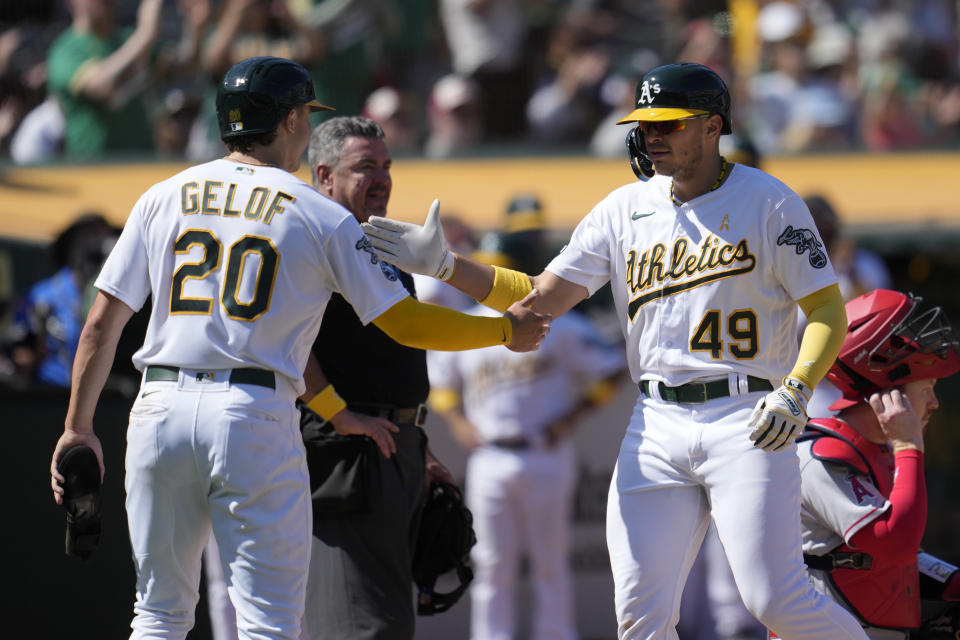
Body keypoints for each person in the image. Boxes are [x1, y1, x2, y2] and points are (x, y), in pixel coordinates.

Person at [362, 62, 871, 639]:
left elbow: (828, 311)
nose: (653, 135)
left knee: (774, 600)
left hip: (748, 414)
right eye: (646, 124)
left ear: (712, 125)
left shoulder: (770, 201)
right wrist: (449, 267)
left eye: (670, 124)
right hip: (655, 419)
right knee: (640, 618)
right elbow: (541, 298)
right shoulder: (623, 207)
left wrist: (796, 390)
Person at [48, 56, 549, 640]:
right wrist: (502, 332)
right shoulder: (314, 211)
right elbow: (407, 325)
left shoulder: (163, 195)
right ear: (288, 121)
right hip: (252, 411)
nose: (307, 126)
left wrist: (77, 428)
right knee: (270, 624)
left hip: (159, 405)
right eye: (305, 115)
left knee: (157, 616)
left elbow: (99, 324)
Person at [429, 231, 626, 640]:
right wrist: (458, 424)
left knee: (550, 562)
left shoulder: (555, 323)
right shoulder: (469, 325)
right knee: (491, 563)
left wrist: (573, 417)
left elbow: (612, 367)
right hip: (490, 455)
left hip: (544, 451)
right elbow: (440, 384)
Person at [795, 289, 960, 639]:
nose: (934, 404)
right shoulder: (820, 456)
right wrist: (909, 444)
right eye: (926, 387)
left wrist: (953, 582)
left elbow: (899, 560)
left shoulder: (874, 449)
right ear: (889, 393)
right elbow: (894, 541)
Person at [7, 213, 116, 387]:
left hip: (102, 398)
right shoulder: (41, 295)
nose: (96, 246)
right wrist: (33, 354)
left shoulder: (117, 298)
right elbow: (19, 356)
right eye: (89, 236)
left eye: (103, 238)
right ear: (71, 244)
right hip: (49, 395)